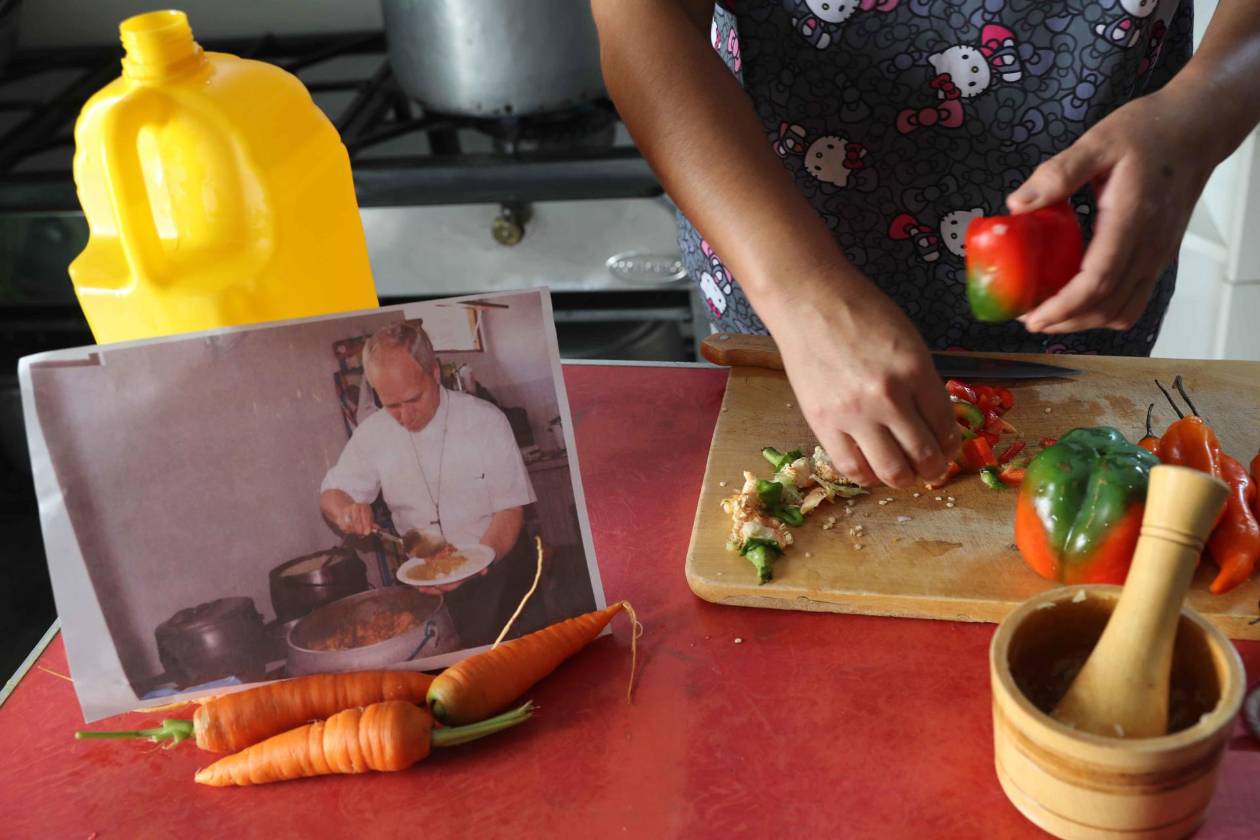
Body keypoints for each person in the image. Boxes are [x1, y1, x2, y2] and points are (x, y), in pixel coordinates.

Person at [591, 0, 1260, 489]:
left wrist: (1198, 116)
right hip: (780, 259)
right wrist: (803, 296)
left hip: (1084, 267)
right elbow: (638, 14)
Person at [319, 320, 537, 647]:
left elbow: (510, 510)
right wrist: (346, 512)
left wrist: (472, 563)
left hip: (498, 572)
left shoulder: (486, 421)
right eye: (391, 405)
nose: (406, 417)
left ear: (434, 373)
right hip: (425, 579)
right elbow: (332, 493)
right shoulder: (373, 433)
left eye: (413, 399)